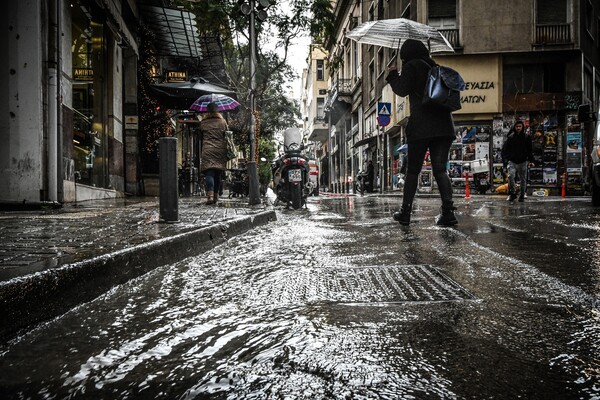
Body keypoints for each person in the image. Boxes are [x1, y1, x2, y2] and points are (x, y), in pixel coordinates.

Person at [386, 39, 458, 226]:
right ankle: (448, 213)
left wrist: (393, 73)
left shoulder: (412, 65)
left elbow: (402, 89)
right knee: (440, 170)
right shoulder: (434, 66)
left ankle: (406, 212)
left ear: (406, 54)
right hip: (443, 126)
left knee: (413, 171)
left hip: (422, 127)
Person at [199, 102, 228, 205]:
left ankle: (210, 196)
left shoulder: (204, 122)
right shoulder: (222, 122)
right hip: (220, 150)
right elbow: (227, 135)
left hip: (208, 149)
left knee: (209, 173)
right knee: (218, 174)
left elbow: (200, 136)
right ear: (218, 111)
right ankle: (216, 197)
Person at [501, 120, 534, 202]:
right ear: (514, 128)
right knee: (511, 177)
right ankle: (513, 193)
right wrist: (506, 159)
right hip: (512, 161)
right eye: (517, 126)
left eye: (520, 126)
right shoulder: (511, 138)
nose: (518, 128)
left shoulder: (526, 137)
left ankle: (522, 195)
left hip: (523, 161)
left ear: (522, 127)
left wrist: (531, 160)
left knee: (523, 179)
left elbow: (530, 150)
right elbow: (505, 149)